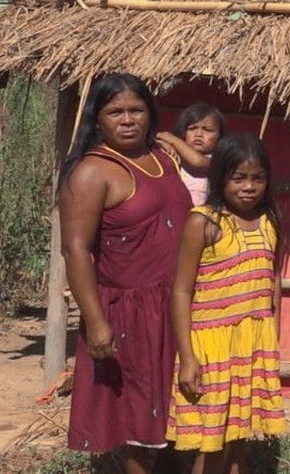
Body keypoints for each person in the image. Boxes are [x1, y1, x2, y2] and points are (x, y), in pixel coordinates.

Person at [59, 73, 191, 472]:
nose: (128, 119)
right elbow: (76, 250)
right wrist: (96, 321)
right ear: (97, 120)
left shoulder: (164, 157)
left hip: (176, 301)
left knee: (175, 407)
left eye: (136, 110)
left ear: (151, 114)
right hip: (130, 311)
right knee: (136, 413)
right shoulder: (92, 173)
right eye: (115, 111)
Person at [168, 132, 285, 472]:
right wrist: (188, 358)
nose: (248, 187)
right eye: (238, 178)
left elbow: (271, 280)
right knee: (211, 442)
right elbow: (181, 291)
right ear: (220, 178)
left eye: (257, 178)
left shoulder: (269, 221)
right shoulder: (203, 222)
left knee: (238, 437)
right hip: (211, 348)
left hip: (251, 346)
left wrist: (271, 337)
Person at [157, 102, 224, 206]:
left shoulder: (219, 159)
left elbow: (198, 161)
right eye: (192, 128)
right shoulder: (173, 153)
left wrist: (172, 139)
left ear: (220, 135)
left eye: (207, 130)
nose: (199, 134)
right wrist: (165, 143)